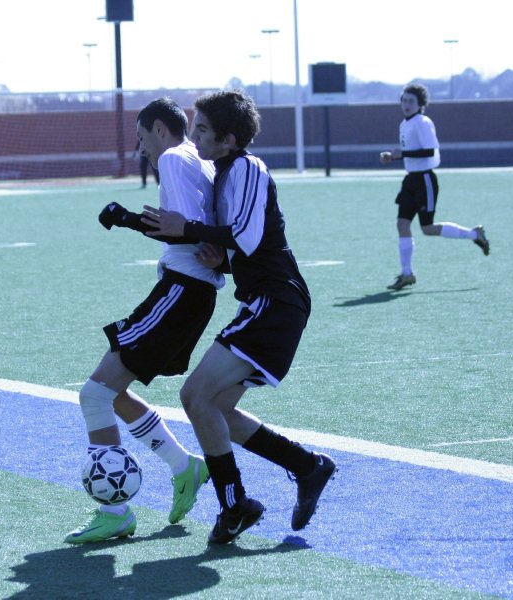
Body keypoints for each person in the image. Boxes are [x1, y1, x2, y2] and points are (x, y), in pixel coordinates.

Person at [141, 90, 336, 545]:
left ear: (228, 139)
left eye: (203, 130)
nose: (194, 136)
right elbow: (241, 248)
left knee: (195, 396)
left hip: (277, 302)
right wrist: (217, 259)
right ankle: (307, 467)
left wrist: (187, 230)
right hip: (264, 303)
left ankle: (234, 505)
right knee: (216, 409)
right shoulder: (224, 172)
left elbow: (247, 238)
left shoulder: (247, 168)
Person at [64, 97, 224, 544]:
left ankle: (115, 510)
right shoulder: (200, 160)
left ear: (159, 129)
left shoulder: (175, 156)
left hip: (181, 291)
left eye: (140, 139)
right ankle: (183, 466)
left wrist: (127, 218)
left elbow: (184, 226)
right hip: (190, 293)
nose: (141, 151)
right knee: (111, 394)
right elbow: (191, 228)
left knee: (94, 395)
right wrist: (131, 220)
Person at [380, 83, 490, 291]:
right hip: (410, 180)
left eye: (411, 101)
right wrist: (393, 157)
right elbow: (411, 153)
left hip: (425, 181)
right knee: (402, 225)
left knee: (427, 229)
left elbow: (429, 152)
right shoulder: (405, 124)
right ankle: (406, 274)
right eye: (404, 100)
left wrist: (401, 154)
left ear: (421, 104)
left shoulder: (423, 122)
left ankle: (475, 235)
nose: (406, 104)